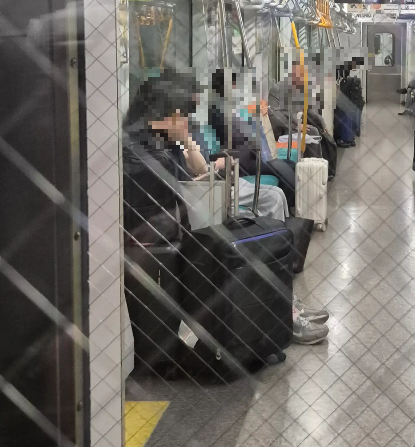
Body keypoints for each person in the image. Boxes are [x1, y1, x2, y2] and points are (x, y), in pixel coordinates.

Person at [124, 77, 330, 345]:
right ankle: (283, 309)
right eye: (181, 116)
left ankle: (284, 301)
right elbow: (186, 192)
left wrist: (186, 141)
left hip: (195, 214)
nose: (186, 122)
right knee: (258, 226)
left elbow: (196, 174)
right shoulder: (148, 154)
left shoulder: (162, 141)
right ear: (160, 117)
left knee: (264, 217)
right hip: (187, 227)